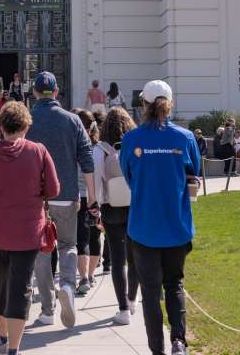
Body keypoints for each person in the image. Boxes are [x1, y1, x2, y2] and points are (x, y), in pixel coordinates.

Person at [0, 101, 58, 355]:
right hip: (27, 232)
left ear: (1, 125)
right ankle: (13, 347)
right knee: (21, 287)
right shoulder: (38, 151)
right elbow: (54, 189)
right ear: (26, 125)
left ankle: (3, 337)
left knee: (1, 286)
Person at [119, 80, 199, 355]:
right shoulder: (185, 137)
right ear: (170, 104)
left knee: (151, 293)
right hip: (177, 226)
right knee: (174, 283)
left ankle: (157, 350)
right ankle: (179, 341)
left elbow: (129, 178)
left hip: (144, 228)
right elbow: (194, 174)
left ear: (144, 105)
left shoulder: (131, 139)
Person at [26, 71, 96, 329]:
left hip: (35, 199)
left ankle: (47, 310)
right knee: (68, 245)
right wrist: (94, 199)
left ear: (34, 93)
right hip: (67, 195)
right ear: (56, 93)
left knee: (41, 252)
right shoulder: (73, 120)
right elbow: (87, 161)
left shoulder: (28, 120)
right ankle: (67, 283)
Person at [95, 106, 140, 325]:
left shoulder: (100, 149)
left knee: (117, 259)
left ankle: (122, 309)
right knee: (135, 257)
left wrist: (95, 207)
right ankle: (132, 300)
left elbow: (96, 182)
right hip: (135, 206)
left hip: (111, 207)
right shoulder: (136, 146)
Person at [73, 109, 103, 297]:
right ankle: (90, 276)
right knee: (95, 237)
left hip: (79, 197)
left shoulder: (73, 146)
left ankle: (83, 277)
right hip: (98, 197)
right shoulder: (100, 149)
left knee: (81, 238)